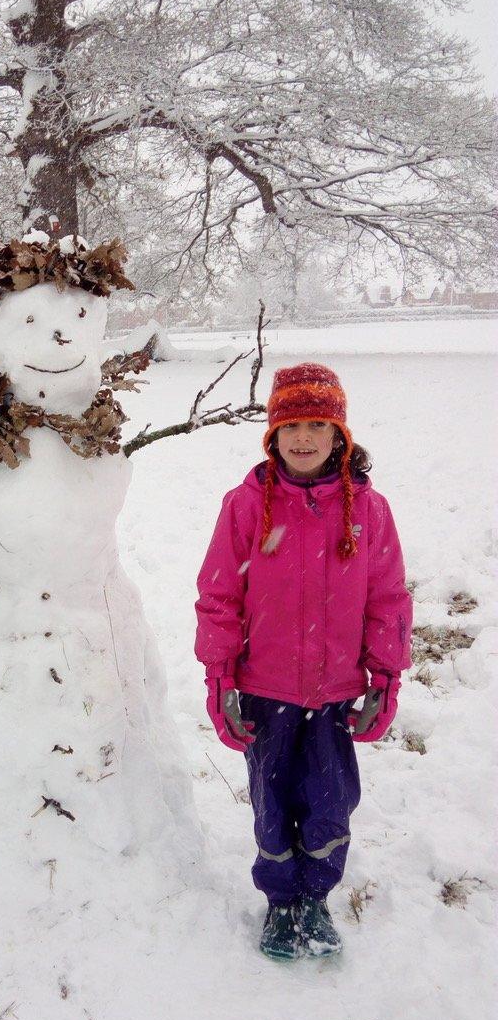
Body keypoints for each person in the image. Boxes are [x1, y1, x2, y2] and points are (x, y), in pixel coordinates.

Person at [195, 363, 411, 960]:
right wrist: (221, 680)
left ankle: (316, 897)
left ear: (339, 432)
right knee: (272, 799)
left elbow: (388, 596)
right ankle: (280, 900)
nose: (305, 438)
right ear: (273, 434)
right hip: (266, 690)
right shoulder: (245, 507)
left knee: (329, 799)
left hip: (337, 690)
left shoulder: (370, 510)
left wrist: (385, 679)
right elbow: (219, 595)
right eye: (292, 424)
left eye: (318, 423)